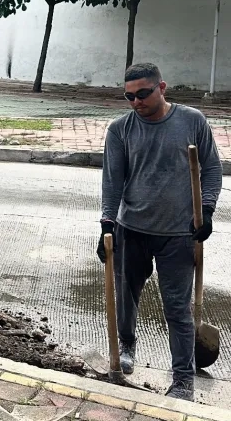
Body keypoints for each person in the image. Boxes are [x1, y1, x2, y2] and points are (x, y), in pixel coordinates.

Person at [99, 63, 222, 401]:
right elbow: (112, 182)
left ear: (161, 87)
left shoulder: (191, 121)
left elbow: (211, 169)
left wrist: (207, 211)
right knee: (126, 295)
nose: (136, 101)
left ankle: (183, 380)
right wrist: (107, 224)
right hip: (131, 228)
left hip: (179, 234)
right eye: (129, 96)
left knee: (177, 308)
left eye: (142, 93)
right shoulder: (119, 130)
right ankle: (127, 346)